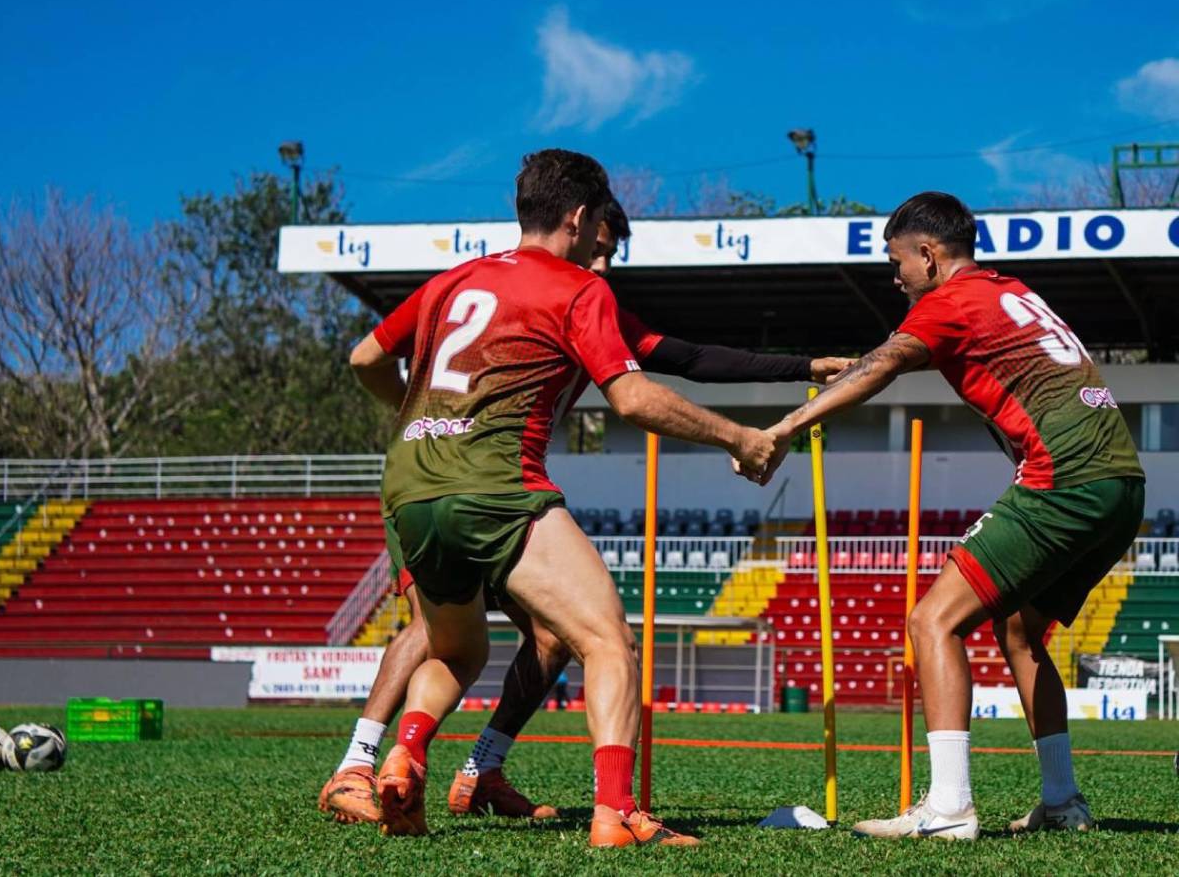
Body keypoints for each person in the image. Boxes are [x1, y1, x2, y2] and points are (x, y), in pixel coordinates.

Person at [319, 197, 850, 829]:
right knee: (592, 638)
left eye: (611, 254)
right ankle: (360, 763)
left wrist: (804, 366)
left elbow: (689, 358)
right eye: (600, 245)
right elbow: (635, 397)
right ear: (577, 220)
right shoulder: (573, 291)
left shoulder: (460, 278)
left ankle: (457, 765)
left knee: (522, 638)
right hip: (493, 484)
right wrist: (740, 437)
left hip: (414, 479)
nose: (603, 262)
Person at [749, 191, 1144, 840]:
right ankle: (1063, 800)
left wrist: (786, 427)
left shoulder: (950, 302)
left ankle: (949, 807)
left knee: (932, 620)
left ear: (928, 256)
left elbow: (882, 366)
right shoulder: (1009, 290)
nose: (894, 276)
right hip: (1123, 485)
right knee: (1018, 631)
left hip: (1066, 480)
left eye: (896, 261)